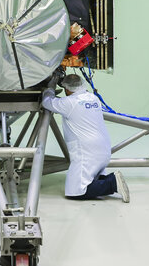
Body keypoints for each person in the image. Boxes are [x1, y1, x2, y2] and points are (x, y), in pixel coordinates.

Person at [41, 74, 130, 202]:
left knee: (77, 192)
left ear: (67, 89)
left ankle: (113, 182)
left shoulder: (68, 103)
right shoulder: (93, 98)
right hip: (104, 148)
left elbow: (46, 102)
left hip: (87, 152)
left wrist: (49, 87)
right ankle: (106, 180)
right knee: (92, 178)